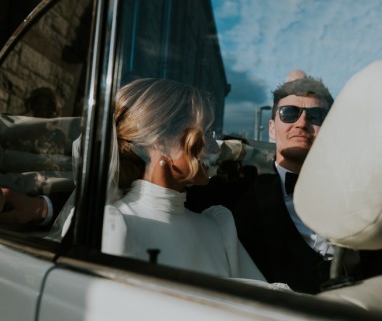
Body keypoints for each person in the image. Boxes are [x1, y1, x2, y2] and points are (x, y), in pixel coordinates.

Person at [232, 74, 382, 294]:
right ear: (272, 128)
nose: (301, 123)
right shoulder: (237, 194)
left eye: (315, 116)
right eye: (289, 113)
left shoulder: (358, 196)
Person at [102, 78, 266, 280]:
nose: (215, 147)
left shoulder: (218, 229)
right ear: (161, 141)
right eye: (205, 133)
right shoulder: (113, 225)